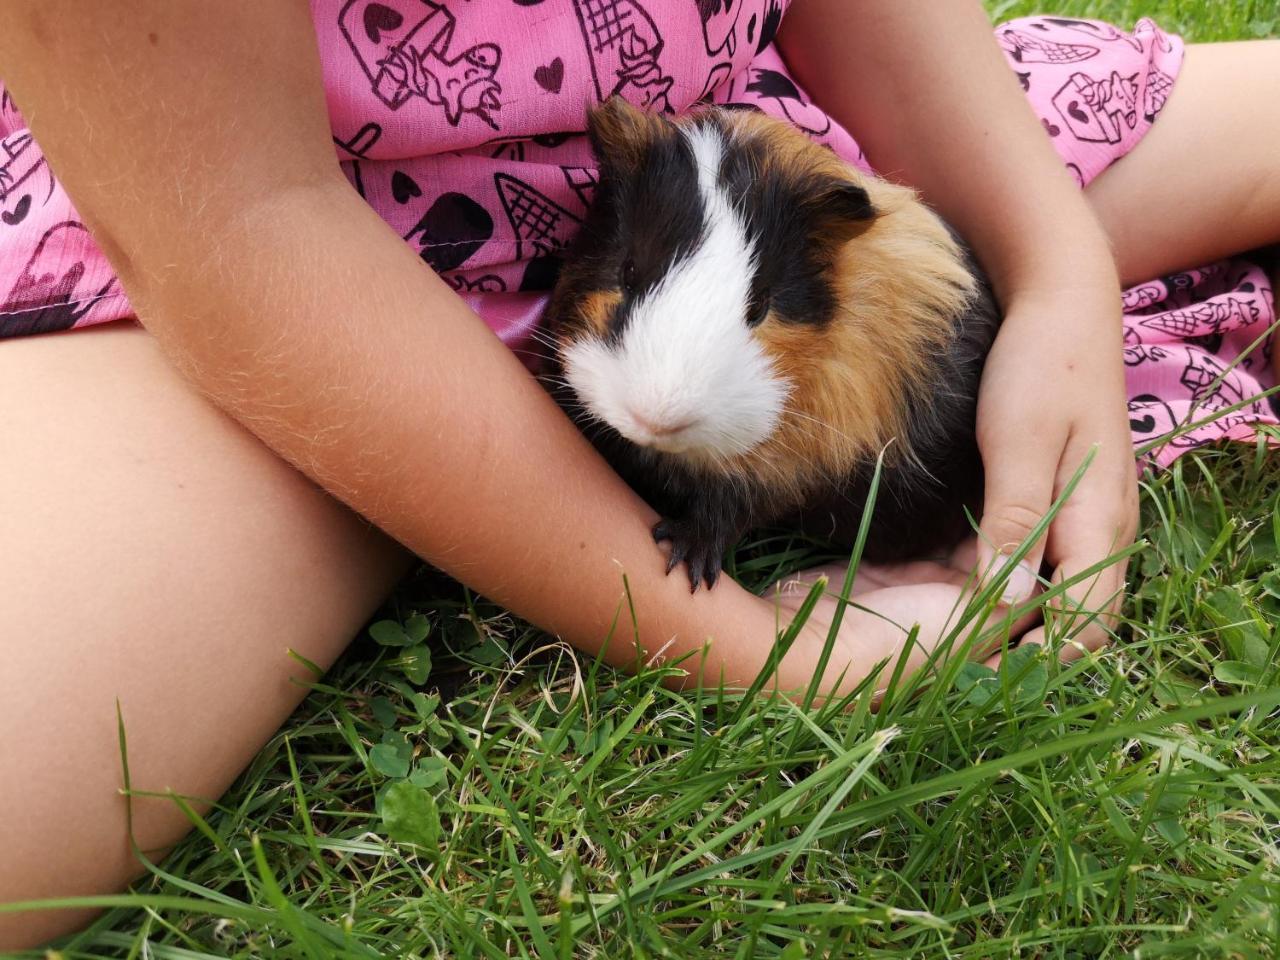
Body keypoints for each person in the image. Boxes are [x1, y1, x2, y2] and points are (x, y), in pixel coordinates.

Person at [0, 0, 1275, 947]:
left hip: (718, 138)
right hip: (258, 232)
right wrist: (745, 639)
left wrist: (1056, 273)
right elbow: (236, 225)